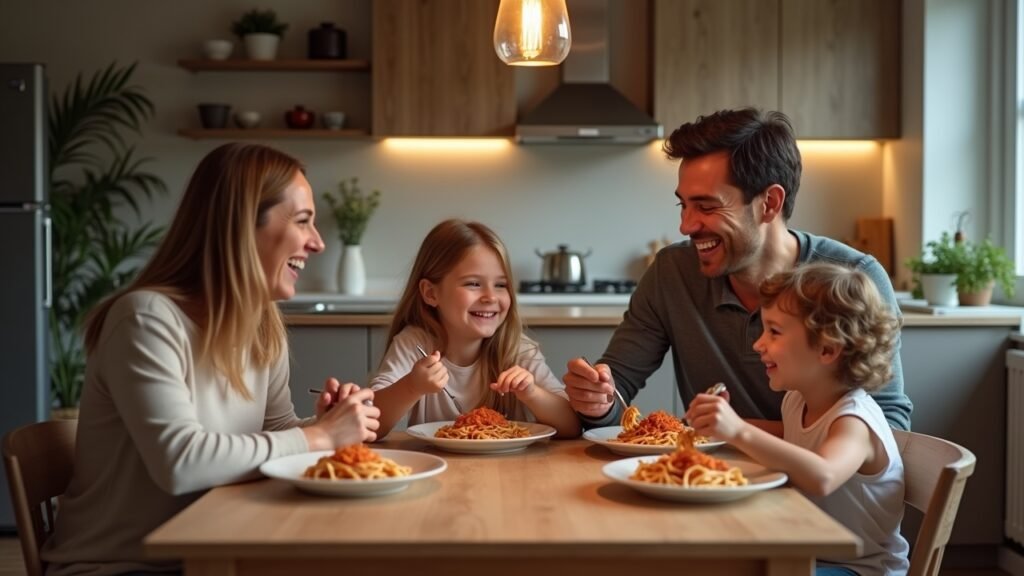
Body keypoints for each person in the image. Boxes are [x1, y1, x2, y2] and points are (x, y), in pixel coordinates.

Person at [42, 143, 381, 576]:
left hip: (219, 548)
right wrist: (319, 438)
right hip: (122, 566)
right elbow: (181, 463)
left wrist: (319, 426)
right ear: (241, 227)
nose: (316, 242)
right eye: (302, 221)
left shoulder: (260, 322)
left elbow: (273, 432)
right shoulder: (146, 319)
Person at [562, 107, 912, 433]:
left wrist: (738, 431)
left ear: (769, 203)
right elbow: (615, 390)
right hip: (706, 483)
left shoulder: (854, 277)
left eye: (706, 206)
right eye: (683, 205)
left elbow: (889, 427)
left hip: (817, 494)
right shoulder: (672, 273)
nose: (686, 226)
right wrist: (596, 400)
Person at [686, 262, 910, 576]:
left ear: (828, 348)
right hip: (811, 556)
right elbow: (791, 436)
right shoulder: (797, 400)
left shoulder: (854, 422)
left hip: (859, 569)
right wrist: (723, 424)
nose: (758, 343)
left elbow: (823, 476)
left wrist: (737, 431)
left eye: (773, 332)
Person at [369, 219, 580, 438]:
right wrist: (412, 386)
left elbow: (571, 426)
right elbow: (370, 422)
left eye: (501, 285)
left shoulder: (517, 349)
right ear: (431, 293)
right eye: (473, 284)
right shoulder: (414, 344)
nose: (490, 297)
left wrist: (532, 393)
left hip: (511, 469)